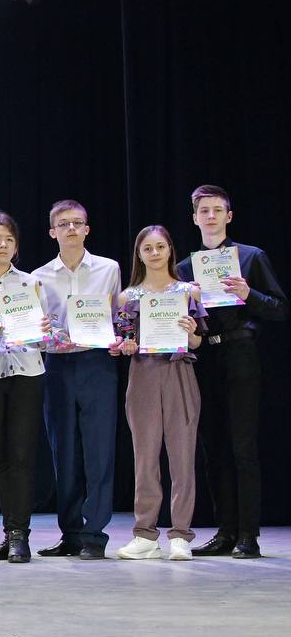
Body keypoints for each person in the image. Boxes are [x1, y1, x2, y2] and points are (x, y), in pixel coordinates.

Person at [177, 185, 287, 559]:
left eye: (217, 210)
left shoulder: (251, 257)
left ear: (229, 215)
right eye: (203, 211)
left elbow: (279, 308)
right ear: (194, 218)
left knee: (243, 446)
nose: (210, 216)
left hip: (241, 354)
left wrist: (248, 294)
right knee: (214, 447)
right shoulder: (185, 269)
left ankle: (248, 535)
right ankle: (225, 531)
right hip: (205, 356)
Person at [31, 199, 122, 560]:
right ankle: (70, 533)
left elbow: (118, 317)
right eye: (63, 224)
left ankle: (95, 534)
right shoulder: (38, 277)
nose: (71, 228)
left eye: (77, 223)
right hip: (57, 366)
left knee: (99, 451)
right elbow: (37, 329)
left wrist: (118, 337)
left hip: (97, 364)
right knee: (63, 452)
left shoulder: (109, 269)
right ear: (52, 232)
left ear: (87, 229)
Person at [113, 225, 206, 561]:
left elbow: (197, 341)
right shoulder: (127, 297)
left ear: (170, 250)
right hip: (143, 375)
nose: (154, 253)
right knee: (145, 457)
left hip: (179, 372)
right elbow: (123, 340)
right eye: (147, 248)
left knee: (182, 457)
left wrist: (191, 333)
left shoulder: (188, 292)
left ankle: (180, 534)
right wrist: (126, 345)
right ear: (139, 254)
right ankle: (145, 534)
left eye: (160, 247)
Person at [0, 211, 51, 564]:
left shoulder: (32, 283)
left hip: (27, 373)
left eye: (9, 240)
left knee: (21, 455)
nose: (2, 246)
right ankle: (9, 531)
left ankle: (20, 535)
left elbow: (45, 339)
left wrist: (45, 332)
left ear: (16, 246)